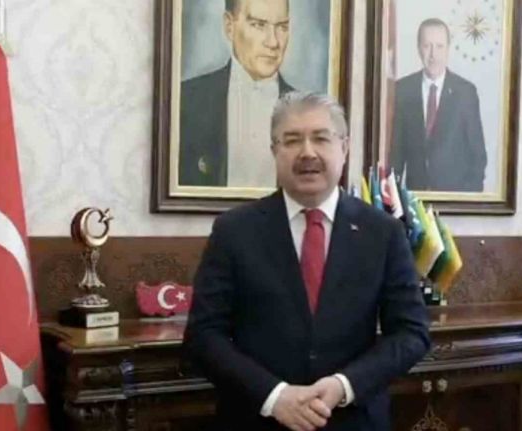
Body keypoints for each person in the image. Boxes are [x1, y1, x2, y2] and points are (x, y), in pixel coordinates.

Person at [183, 91, 431, 430]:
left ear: (344, 147)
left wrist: (344, 385)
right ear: (275, 151)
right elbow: (203, 336)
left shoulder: (383, 232)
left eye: (321, 138)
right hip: (257, 419)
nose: (307, 152)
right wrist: (275, 397)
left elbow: (411, 333)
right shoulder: (234, 230)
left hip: (353, 419)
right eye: (292, 140)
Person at [180, 0, 295, 187]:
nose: (273, 42)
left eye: (282, 27)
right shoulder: (185, 100)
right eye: (259, 25)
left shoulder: (307, 111)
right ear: (229, 27)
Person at [391, 18, 487, 192]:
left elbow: (478, 156)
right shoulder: (402, 90)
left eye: (439, 46)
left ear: (448, 48)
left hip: (455, 199)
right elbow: (395, 156)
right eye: (427, 46)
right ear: (418, 48)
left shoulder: (465, 93)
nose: (433, 55)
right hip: (415, 199)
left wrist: (468, 200)